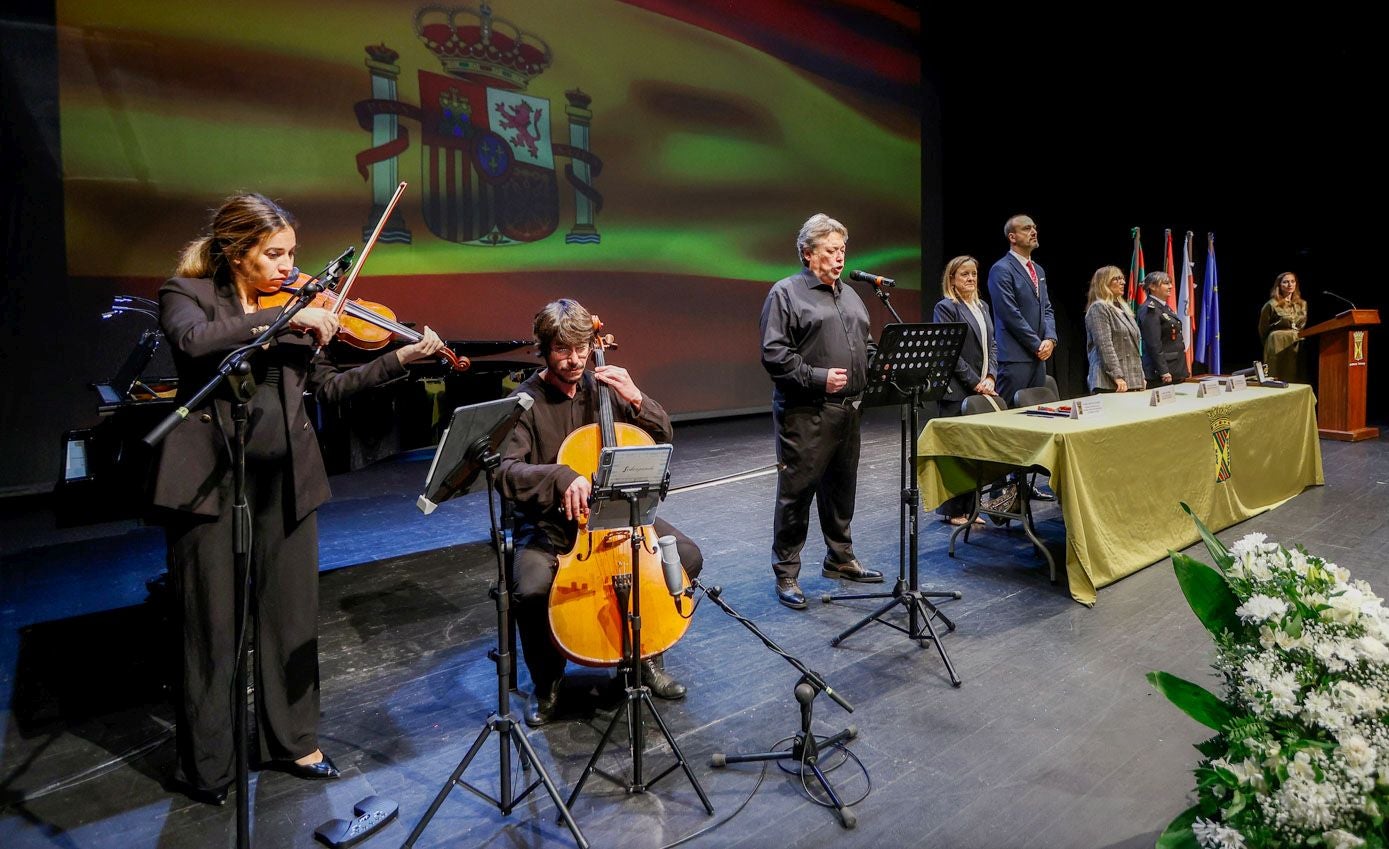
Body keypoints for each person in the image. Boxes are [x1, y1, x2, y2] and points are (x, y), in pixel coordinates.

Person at [151, 193, 445, 805]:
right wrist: (280, 320)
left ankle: (291, 741)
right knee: (211, 626)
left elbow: (331, 390)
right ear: (238, 253)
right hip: (209, 484)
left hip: (285, 481)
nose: (289, 266)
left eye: (292, 253)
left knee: (289, 619)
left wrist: (400, 358)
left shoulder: (299, 307)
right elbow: (197, 341)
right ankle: (208, 763)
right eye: (274, 254)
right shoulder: (187, 294)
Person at [498, 299, 702, 727]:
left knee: (686, 556)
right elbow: (506, 469)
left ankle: (642, 660)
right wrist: (558, 476)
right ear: (544, 349)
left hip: (618, 517)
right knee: (532, 588)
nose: (575, 361)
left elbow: (662, 437)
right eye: (563, 351)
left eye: (582, 349)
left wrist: (637, 398)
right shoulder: (524, 402)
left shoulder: (605, 386)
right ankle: (547, 681)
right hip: (552, 525)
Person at [759, 213, 884, 611]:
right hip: (805, 411)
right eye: (831, 250)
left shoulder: (850, 294)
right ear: (808, 253)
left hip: (849, 410)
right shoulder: (786, 293)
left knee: (841, 490)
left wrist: (881, 363)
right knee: (796, 494)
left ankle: (840, 558)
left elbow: (864, 345)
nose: (839, 257)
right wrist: (817, 377)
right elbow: (775, 354)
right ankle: (787, 573)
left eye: (842, 250)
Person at [987, 214, 1056, 501]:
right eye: (1027, 228)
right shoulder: (1001, 269)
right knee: (1011, 423)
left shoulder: (1037, 269)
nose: (1033, 231)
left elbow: (1047, 308)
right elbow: (1009, 313)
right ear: (1012, 236)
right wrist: (1035, 343)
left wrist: (1050, 339)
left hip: (1037, 356)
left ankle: (1024, 484)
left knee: (1033, 423)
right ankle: (1002, 487)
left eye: (1034, 227)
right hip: (1014, 357)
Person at [932, 255, 999, 525]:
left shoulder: (982, 306)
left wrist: (991, 376)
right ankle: (954, 511)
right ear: (952, 279)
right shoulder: (946, 307)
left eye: (973, 274)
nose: (971, 279)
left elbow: (992, 345)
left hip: (982, 387)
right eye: (964, 275)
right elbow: (950, 351)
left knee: (974, 451)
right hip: (957, 389)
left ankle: (972, 508)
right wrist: (975, 382)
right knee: (956, 452)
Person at [1084, 265, 1145, 394]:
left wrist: (1140, 376)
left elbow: (1133, 349)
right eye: (1116, 279)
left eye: (1122, 278)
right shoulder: (1099, 308)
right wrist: (1117, 376)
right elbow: (1105, 346)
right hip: (1109, 382)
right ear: (1103, 283)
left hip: (1131, 380)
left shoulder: (1124, 309)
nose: (1123, 282)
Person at [1139, 271, 1191, 388]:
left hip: (1175, 367)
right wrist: (1163, 370)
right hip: (1162, 373)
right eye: (1166, 283)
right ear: (1152, 286)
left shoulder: (1163, 307)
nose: (1171, 287)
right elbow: (1153, 344)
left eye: (1170, 283)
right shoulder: (1150, 309)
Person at [1258, 271, 1308, 381]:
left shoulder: (1302, 304)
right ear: (1279, 285)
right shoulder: (1271, 304)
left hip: (1296, 343)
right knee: (1277, 374)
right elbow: (1263, 329)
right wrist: (1270, 343)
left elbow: (1302, 325)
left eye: (1292, 281)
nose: (1290, 285)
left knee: (1296, 375)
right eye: (1285, 282)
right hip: (1277, 343)